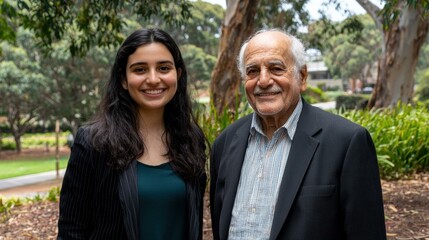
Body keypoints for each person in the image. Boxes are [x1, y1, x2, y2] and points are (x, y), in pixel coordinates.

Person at [210, 29, 387, 240]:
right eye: (253, 71)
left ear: (301, 77)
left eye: (276, 68)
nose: (263, 80)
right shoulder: (225, 143)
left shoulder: (347, 142)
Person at [58, 28, 207, 240]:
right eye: (140, 70)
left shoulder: (192, 140)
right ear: (123, 79)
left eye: (164, 68)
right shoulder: (93, 143)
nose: (154, 79)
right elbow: (71, 231)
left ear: (178, 74)